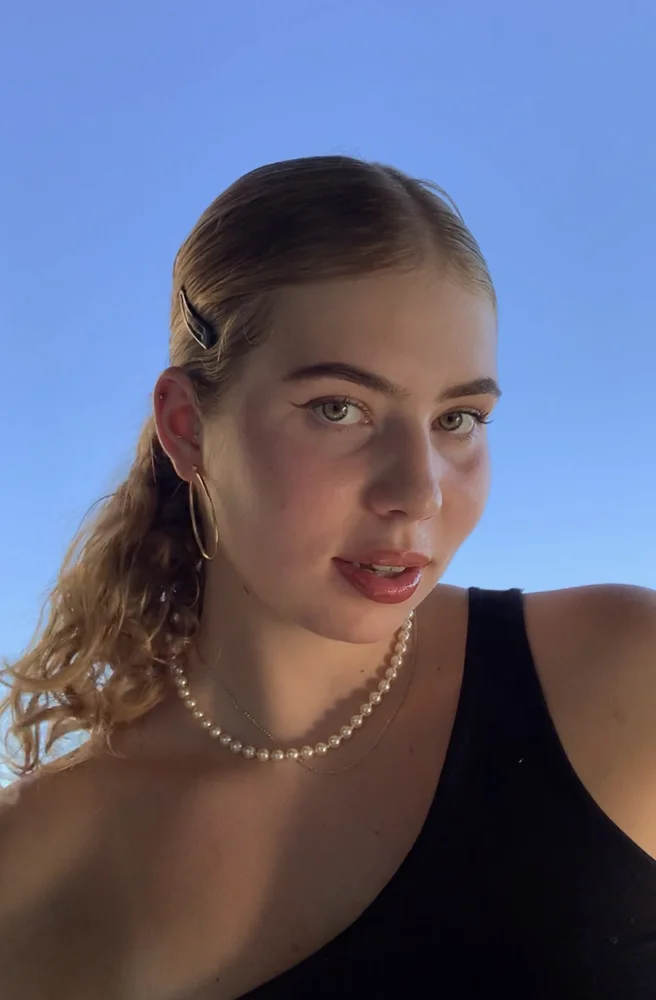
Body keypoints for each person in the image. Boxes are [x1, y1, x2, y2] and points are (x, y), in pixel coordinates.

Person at [0, 155, 655, 1000]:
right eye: (338, 409)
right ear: (187, 427)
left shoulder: (623, 677)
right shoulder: (30, 868)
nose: (418, 492)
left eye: (459, 418)